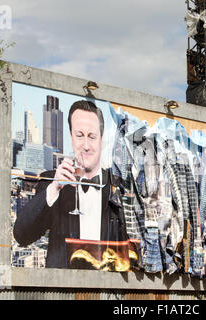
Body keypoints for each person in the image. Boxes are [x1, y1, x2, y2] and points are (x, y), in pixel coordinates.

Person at [13, 100, 127, 268]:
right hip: (63, 292)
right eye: (80, 135)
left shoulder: (117, 185)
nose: (86, 146)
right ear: (71, 138)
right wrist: (54, 188)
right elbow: (22, 236)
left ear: (101, 140)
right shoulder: (51, 181)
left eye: (92, 136)